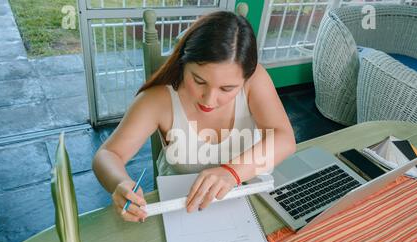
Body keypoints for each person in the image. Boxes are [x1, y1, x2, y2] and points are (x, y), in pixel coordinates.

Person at [92, 11, 296, 223]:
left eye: (227, 88)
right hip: (182, 206)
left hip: (243, 194)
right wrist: (120, 183)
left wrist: (231, 172)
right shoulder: (157, 100)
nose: (209, 99)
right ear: (183, 62)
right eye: (199, 81)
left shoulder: (256, 79)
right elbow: (107, 154)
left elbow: (285, 139)